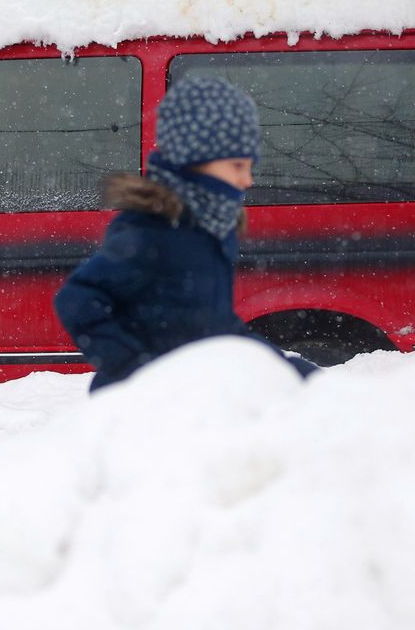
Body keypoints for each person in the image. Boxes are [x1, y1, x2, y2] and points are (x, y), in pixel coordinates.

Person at [54, 75, 317, 392]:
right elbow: (78, 299)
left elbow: (218, 329)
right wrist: (134, 369)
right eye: (237, 166)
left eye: (250, 167)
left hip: (191, 398)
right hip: (143, 408)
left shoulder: (208, 232)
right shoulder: (152, 232)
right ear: (194, 160)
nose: (248, 180)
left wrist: (289, 370)